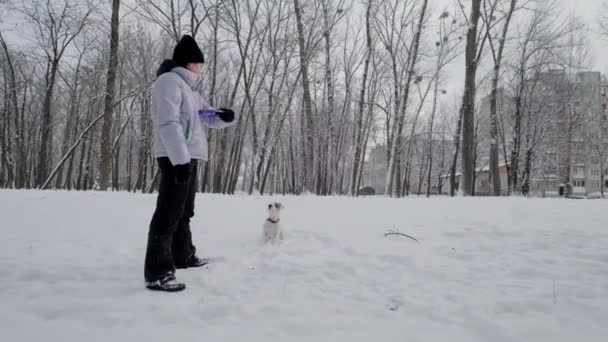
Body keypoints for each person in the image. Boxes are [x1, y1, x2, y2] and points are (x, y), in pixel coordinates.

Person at [144, 35, 236, 292]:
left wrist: (223, 116)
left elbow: (204, 115)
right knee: (168, 212)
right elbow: (168, 123)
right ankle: (157, 272)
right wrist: (179, 159)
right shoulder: (169, 82)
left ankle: (183, 256)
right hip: (176, 156)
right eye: (200, 63)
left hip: (188, 155)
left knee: (185, 210)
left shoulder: (190, 89)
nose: (202, 68)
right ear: (189, 62)